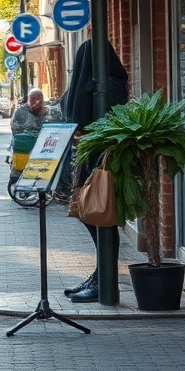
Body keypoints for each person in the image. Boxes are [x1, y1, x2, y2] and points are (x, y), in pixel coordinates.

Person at [60, 39, 129, 303]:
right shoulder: (101, 84)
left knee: (100, 216)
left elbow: (107, 119)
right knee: (90, 214)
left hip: (104, 160)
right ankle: (100, 274)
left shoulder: (107, 86)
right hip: (94, 156)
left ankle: (104, 280)